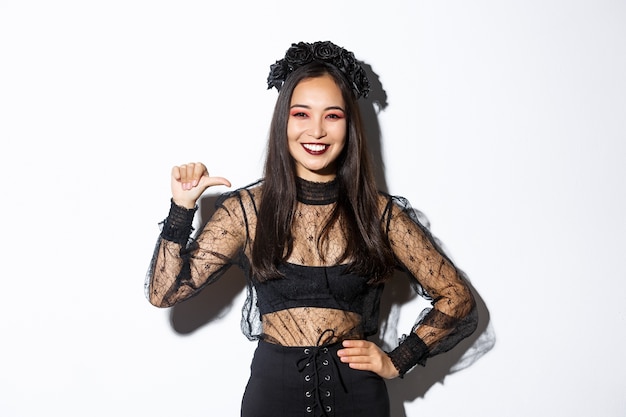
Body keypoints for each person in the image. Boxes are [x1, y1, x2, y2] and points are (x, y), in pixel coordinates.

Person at [145, 40, 479, 417]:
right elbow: (163, 293)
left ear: (349, 125)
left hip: (359, 399)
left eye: (332, 116)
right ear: (283, 121)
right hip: (274, 396)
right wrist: (181, 209)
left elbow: (457, 295)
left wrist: (399, 359)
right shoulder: (248, 211)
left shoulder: (378, 214)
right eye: (301, 114)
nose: (316, 131)